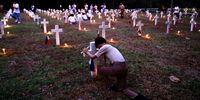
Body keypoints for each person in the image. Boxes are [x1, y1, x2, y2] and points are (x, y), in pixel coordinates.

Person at [82, 37, 149, 100]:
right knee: (124, 89)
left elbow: (93, 57)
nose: (99, 48)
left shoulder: (105, 47)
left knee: (98, 68)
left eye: (99, 47)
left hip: (118, 68)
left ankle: (108, 82)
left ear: (100, 44)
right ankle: (141, 98)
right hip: (124, 67)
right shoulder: (110, 47)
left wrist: (86, 51)